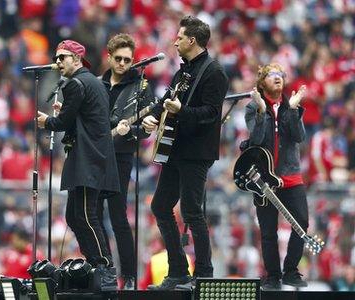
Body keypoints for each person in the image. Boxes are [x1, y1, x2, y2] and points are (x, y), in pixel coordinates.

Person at [141, 15, 229, 290]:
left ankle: (204, 274)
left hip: (196, 152)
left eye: (179, 37)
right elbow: (167, 99)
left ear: (192, 40)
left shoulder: (214, 72)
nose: (175, 41)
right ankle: (178, 269)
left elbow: (212, 114)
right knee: (160, 206)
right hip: (175, 149)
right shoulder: (184, 72)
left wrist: (182, 111)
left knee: (192, 211)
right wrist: (152, 117)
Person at [37, 39, 120, 290]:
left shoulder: (75, 83)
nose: (58, 62)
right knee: (74, 215)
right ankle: (95, 263)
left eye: (62, 57)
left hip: (87, 157)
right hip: (93, 156)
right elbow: (85, 117)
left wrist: (46, 122)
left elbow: (62, 123)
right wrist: (67, 112)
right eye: (57, 57)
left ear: (76, 59)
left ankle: (104, 266)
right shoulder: (91, 82)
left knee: (85, 215)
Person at [98, 33, 155, 290]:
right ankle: (104, 269)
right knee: (93, 215)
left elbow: (146, 127)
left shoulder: (140, 85)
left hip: (121, 156)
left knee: (118, 215)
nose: (122, 64)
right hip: (96, 155)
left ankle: (129, 276)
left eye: (127, 60)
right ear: (109, 58)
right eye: (118, 59)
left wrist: (130, 131)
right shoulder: (98, 84)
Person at [245, 63, 309, 290]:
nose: (278, 78)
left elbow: (298, 136)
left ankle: (291, 270)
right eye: (272, 75)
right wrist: (262, 111)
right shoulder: (253, 107)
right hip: (264, 179)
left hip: (291, 176)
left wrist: (292, 109)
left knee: (301, 222)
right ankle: (272, 276)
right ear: (262, 83)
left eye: (280, 74)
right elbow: (256, 141)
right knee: (268, 230)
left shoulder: (290, 105)